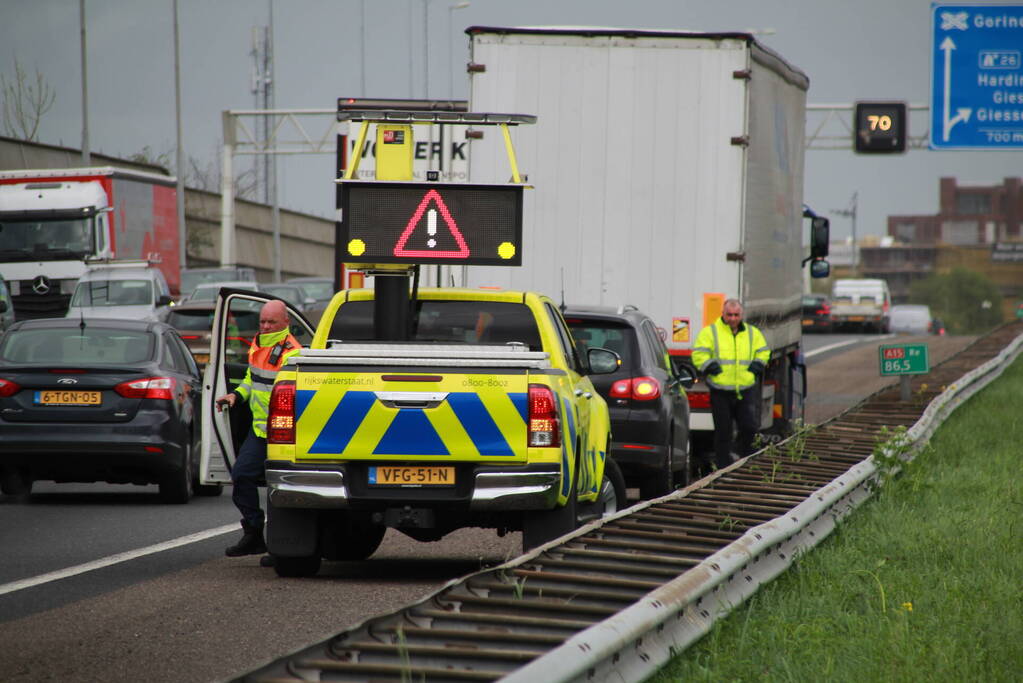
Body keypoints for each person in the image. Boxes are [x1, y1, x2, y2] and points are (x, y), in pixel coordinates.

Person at [216, 299, 302, 561]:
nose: (265, 326)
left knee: (281, 490)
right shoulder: (258, 344)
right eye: (262, 321)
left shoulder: (292, 353)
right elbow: (251, 380)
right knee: (241, 476)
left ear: (286, 322)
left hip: (284, 433)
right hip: (260, 430)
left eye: (271, 322)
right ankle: (253, 534)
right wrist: (236, 396)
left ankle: (283, 547)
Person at [692, 298, 770, 470]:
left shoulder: (752, 333)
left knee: (749, 427)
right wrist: (711, 367)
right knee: (723, 431)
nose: (733, 318)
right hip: (720, 390)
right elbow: (699, 353)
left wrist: (756, 367)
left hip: (745, 388)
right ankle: (723, 467)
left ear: (741, 315)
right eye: (729, 315)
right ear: (723, 314)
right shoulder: (710, 332)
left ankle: (745, 460)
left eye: (736, 315)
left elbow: (763, 351)